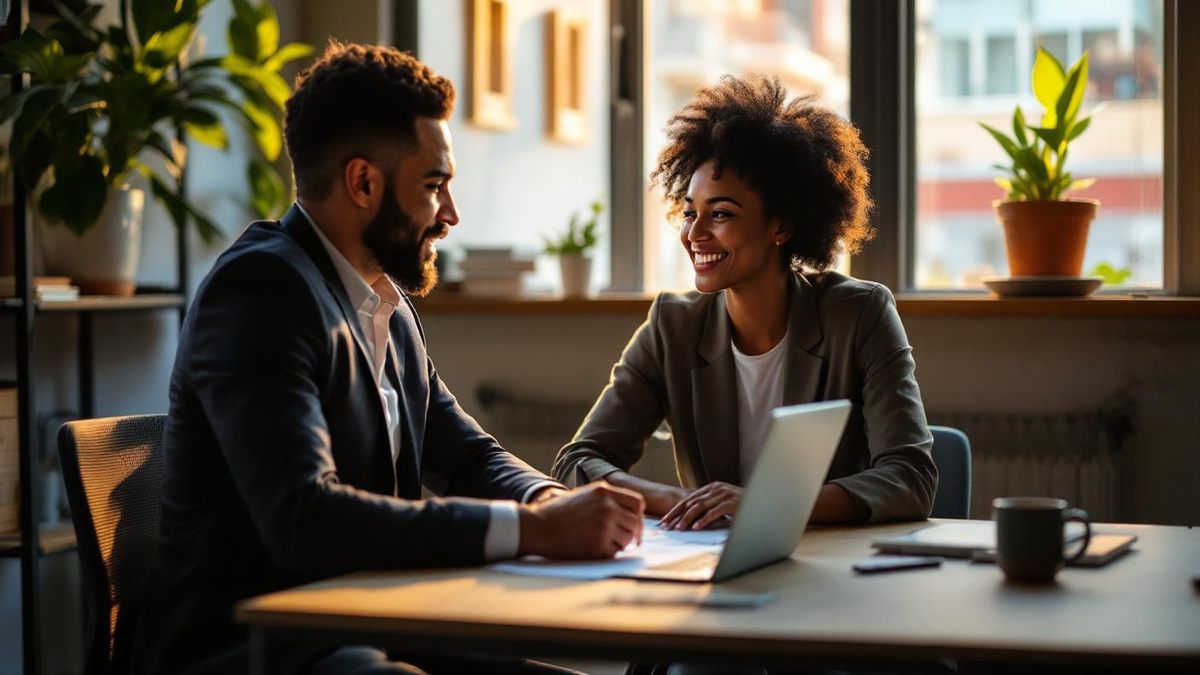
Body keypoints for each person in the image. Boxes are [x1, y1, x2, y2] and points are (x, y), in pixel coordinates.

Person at [128, 42, 645, 675]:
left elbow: (466, 454)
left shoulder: (386, 305)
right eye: (434, 186)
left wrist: (546, 500)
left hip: (365, 627)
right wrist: (533, 531)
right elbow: (303, 518)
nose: (450, 215)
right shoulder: (260, 292)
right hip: (249, 649)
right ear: (363, 181)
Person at [553, 75, 937, 532]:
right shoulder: (672, 326)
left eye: (721, 214)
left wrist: (764, 504)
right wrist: (684, 501)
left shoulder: (859, 315)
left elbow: (910, 478)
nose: (695, 234)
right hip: (715, 569)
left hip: (831, 565)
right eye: (690, 212)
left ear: (782, 225)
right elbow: (578, 462)